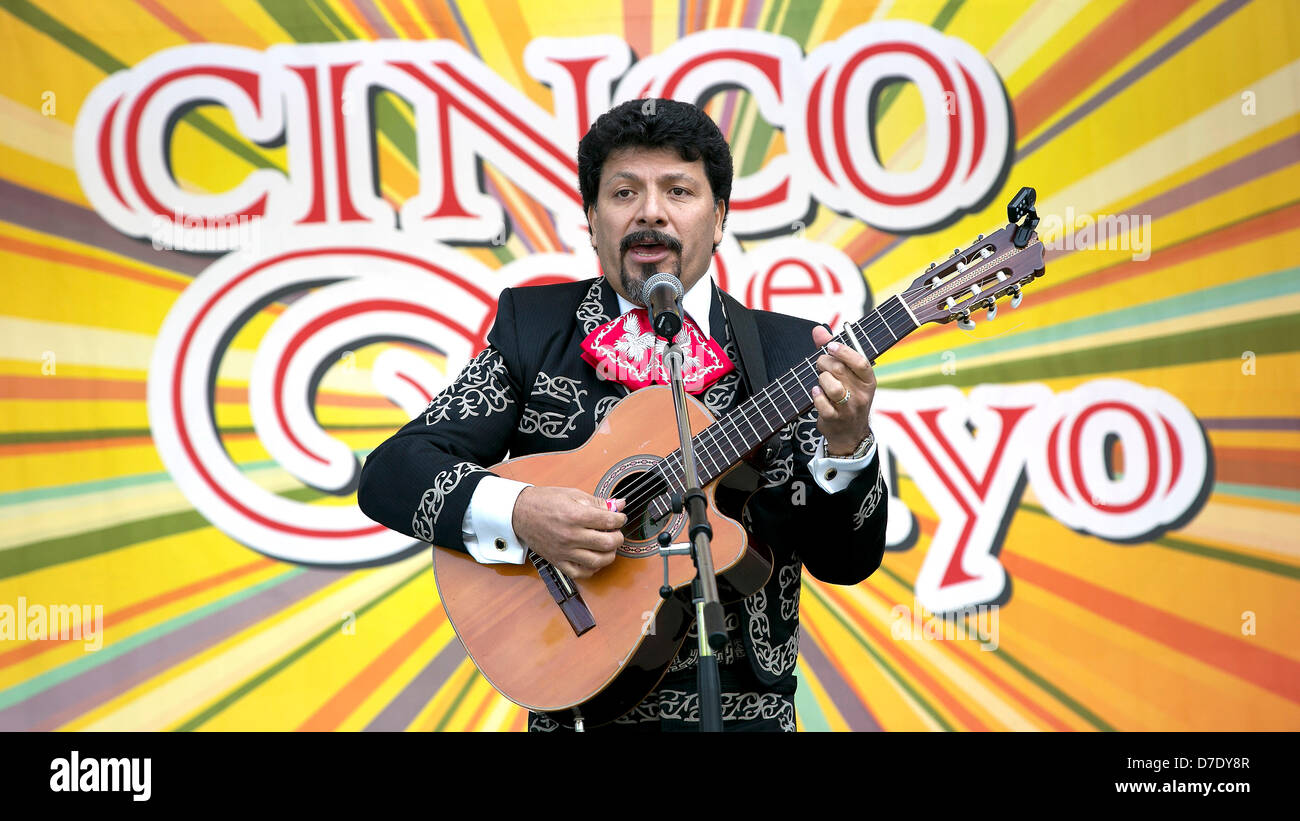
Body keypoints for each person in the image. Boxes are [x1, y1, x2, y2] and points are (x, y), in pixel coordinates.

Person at [357, 98, 888, 732]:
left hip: (746, 715)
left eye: (679, 190)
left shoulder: (790, 353)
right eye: (624, 192)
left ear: (719, 218)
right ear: (591, 218)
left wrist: (848, 445)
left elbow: (846, 561)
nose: (651, 212)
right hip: (581, 712)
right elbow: (392, 474)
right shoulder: (537, 331)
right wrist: (522, 512)